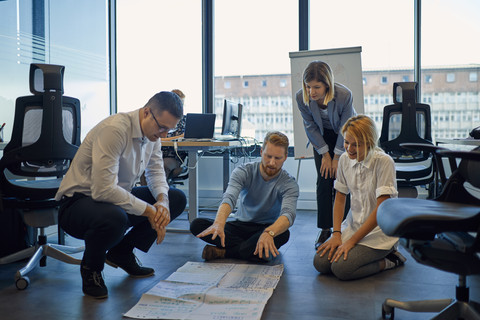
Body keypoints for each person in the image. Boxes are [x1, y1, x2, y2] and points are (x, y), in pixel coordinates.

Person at [55, 91, 187, 299]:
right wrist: (149, 211)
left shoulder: (153, 135)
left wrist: (162, 202)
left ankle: (122, 253)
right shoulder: (114, 130)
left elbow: (155, 172)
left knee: (176, 198)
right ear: (146, 112)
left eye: (168, 130)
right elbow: (103, 190)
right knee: (116, 217)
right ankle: (91, 269)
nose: (163, 134)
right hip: (78, 204)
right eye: (162, 127)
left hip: (114, 199)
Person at [313, 115, 406, 281]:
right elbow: (340, 198)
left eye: (356, 145)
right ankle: (354, 247)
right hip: (354, 226)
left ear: (369, 142)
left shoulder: (384, 162)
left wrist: (351, 242)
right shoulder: (344, 160)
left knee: (342, 268)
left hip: (380, 232)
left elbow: (381, 210)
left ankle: (391, 260)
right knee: (320, 263)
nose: (349, 148)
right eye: (347, 142)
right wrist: (336, 234)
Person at [190, 131, 299, 262]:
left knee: (283, 234)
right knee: (197, 224)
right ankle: (251, 250)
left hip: (266, 228)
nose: (271, 163)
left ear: (286, 157)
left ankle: (225, 252)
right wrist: (219, 223)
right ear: (261, 152)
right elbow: (229, 197)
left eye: (277, 158)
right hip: (240, 226)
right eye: (268, 156)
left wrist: (269, 233)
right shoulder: (243, 171)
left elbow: (288, 215)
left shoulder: (289, 183)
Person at [295, 60, 356, 249]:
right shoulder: (301, 97)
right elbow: (310, 126)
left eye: (316, 87)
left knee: (341, 180)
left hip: (345, 136)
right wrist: (325, 155)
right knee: (324, 179)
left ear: (327, 84)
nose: (311, 92)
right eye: (308, 86)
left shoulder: (344, 95)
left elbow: (346, 128)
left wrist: (337, 156)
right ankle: (325, 229)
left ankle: (343, 228)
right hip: (320, 138)